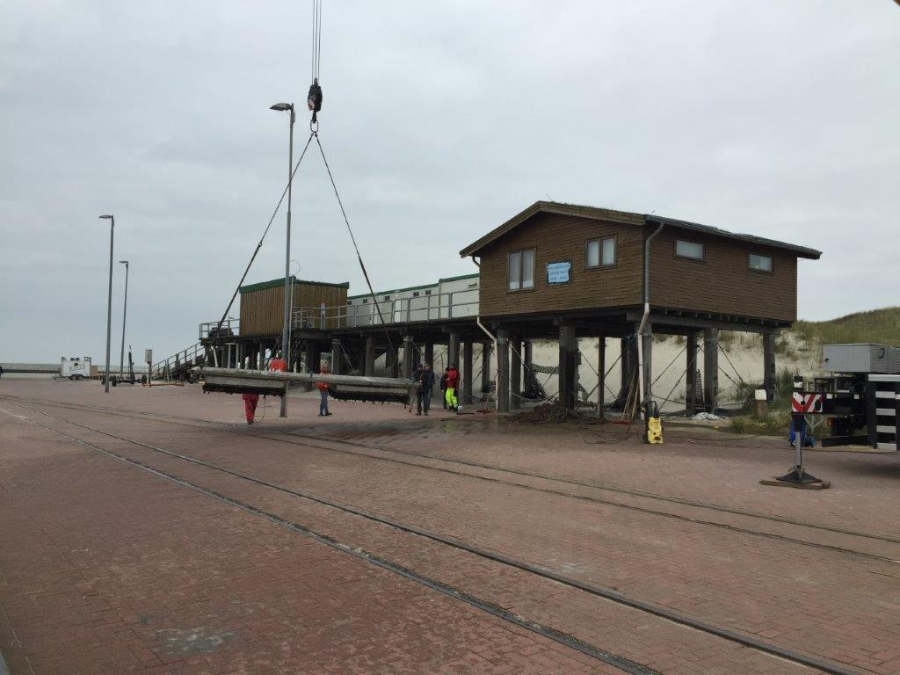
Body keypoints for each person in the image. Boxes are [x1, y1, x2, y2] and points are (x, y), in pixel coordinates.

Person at [242, 352, 285, 425]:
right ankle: (250, 419)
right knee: (251, 406)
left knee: (250, 407)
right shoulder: (281, 362)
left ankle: (250, 419)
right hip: (252, 393)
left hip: (251, 393)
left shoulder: (274, 362)